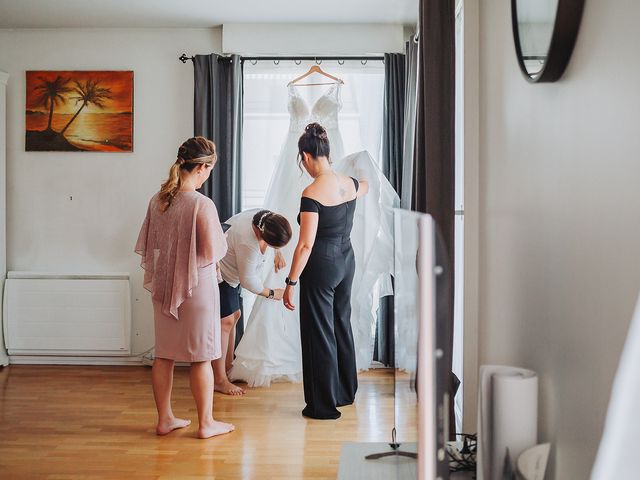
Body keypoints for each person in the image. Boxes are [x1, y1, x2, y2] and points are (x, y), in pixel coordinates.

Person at [135, 136, 234, 439]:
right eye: (209, 170)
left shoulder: (159, 199)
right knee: (201, 356)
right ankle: (206, 423)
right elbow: (215, 249)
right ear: (202, 167)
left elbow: (151, 244)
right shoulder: (201, 204)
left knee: (164, 354)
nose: (208, 176)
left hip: (165, 284)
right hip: (196, 287)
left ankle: (165, 419)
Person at [283, 122, 369, 419]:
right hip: (347, 262)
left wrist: (290, 281)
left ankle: (323, 405)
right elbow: (367, 186)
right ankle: (345, 391)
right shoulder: (349, 183)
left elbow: (305, 245)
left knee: (319, 332)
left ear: (305, 157)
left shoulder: (312, 193)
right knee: (340, 324)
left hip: (321, 265)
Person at [215, 209, 292, 395]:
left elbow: (275, 232)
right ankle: (219, 379)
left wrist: (277, 252)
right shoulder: (247, 241)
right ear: (260, 234)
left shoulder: (265, 217)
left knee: (235, 315)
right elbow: (248, 281)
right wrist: (274, 293)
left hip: (230, 270)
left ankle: (227, 368)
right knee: (225, 321)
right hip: (220, 272)